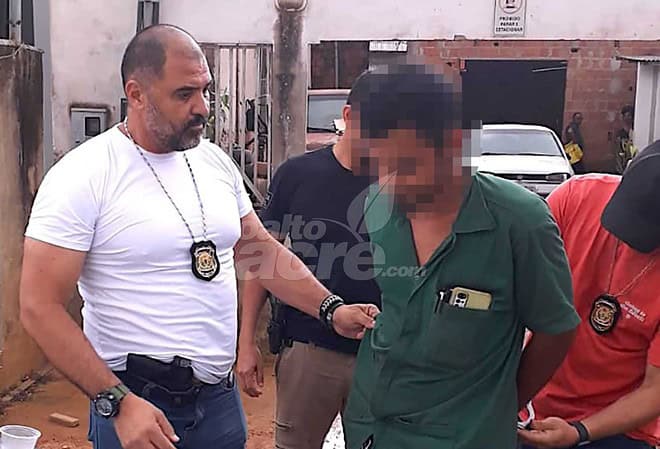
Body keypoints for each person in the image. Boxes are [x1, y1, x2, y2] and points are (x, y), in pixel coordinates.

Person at [19, 24, 378, 449]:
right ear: (136, 94)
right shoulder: (84, 175)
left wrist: (330, 309)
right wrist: (116, 401)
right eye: (184, 94)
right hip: (136, 404)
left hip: (218, 403)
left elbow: (258, 250)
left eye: (206, 90)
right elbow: (38, 306)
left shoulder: (213, 162)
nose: (202, 107)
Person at [340, 64, 581, 449]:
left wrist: (499, 404)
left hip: (466, 435)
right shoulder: (378, 205)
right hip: (372, 428)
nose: (389, 181)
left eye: (406, 165)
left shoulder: (521, 222)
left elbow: (556, 329)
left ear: (453, 143)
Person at [237, 93, 381, 449]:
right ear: (349, 115)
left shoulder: (400, 183)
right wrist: (246, 343)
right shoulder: (297, 175)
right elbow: (262, 261)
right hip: (309, 349)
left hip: (381, 353)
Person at [519, 141, 660, 449]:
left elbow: (655, 390)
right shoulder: (575, 197)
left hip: (618, 425)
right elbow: (507, 286)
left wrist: (579, 432)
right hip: (529, 401)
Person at [614, 105, 637, 172]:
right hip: (622, 166)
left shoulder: (635, 133)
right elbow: (618, 155)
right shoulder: (620, 136)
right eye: (626, 116)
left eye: (630, 116)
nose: (628, 118)